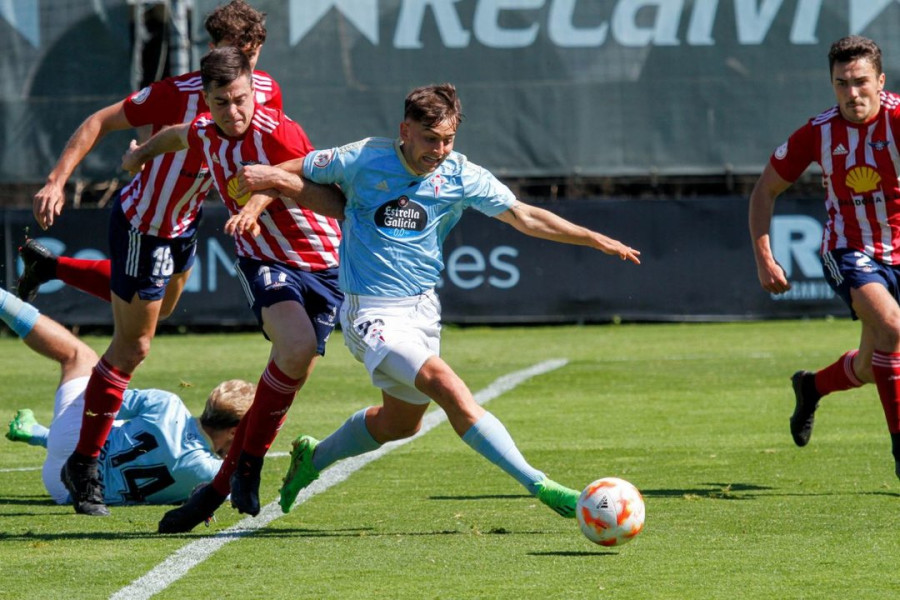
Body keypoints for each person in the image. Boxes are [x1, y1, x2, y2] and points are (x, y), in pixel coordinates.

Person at [235, 83, 641, 520]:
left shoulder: (462, 174)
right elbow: (285, 171)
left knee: (400, 424)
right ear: (404, 130)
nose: (440, 150)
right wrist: (255, 206)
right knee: (449, 388)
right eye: (431, 139)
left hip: (423, 312)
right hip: (370, 312)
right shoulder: (364, 157)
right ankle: (540, 485)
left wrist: (592, 237)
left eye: (448, 140)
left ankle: (312, 459)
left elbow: (524, 215)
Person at [29, 0, 285, 518]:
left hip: (183, 223)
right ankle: (85, 462)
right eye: (224, 51)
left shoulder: (264, 91)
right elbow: (100, 121)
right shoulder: (180, 92)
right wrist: (57, 180)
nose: (233, 64)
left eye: (244, 53)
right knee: (134, 344)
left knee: (161, 308)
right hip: (144, 224)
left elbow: (266, 152)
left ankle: (50, 268)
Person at [120, 46, 344, 533]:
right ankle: (247, 467)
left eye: (241, 99)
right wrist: (139, 153)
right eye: (222, 102)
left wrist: (256, 204)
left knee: (294, 368)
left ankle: (218, 489)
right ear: (208, 99)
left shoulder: (280, 129)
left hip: (324, 261)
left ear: (252, 92)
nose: (234, 111)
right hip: (265, 257)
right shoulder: (205, 131)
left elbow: (306, 182)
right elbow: (177, 136)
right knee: (296, 347)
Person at [749, 35, 900, 481]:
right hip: (849, 251)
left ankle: (811, 386)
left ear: (880, 80)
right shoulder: (819, 132)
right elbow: (765, 190)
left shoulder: (897, 119)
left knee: (873, 366)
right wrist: (764, 256)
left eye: (860, 82)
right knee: (892, 326)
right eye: (841, 84)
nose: (852, 94)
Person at [0, 284, 254, 507]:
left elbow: (99, 400)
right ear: (233, 431)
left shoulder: (168, 406)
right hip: (62, 490)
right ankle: (40, 434)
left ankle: (3, 301)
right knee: (126, 427)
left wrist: (117, 369)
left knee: (80, 359)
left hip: (74, 454)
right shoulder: (212, 473)